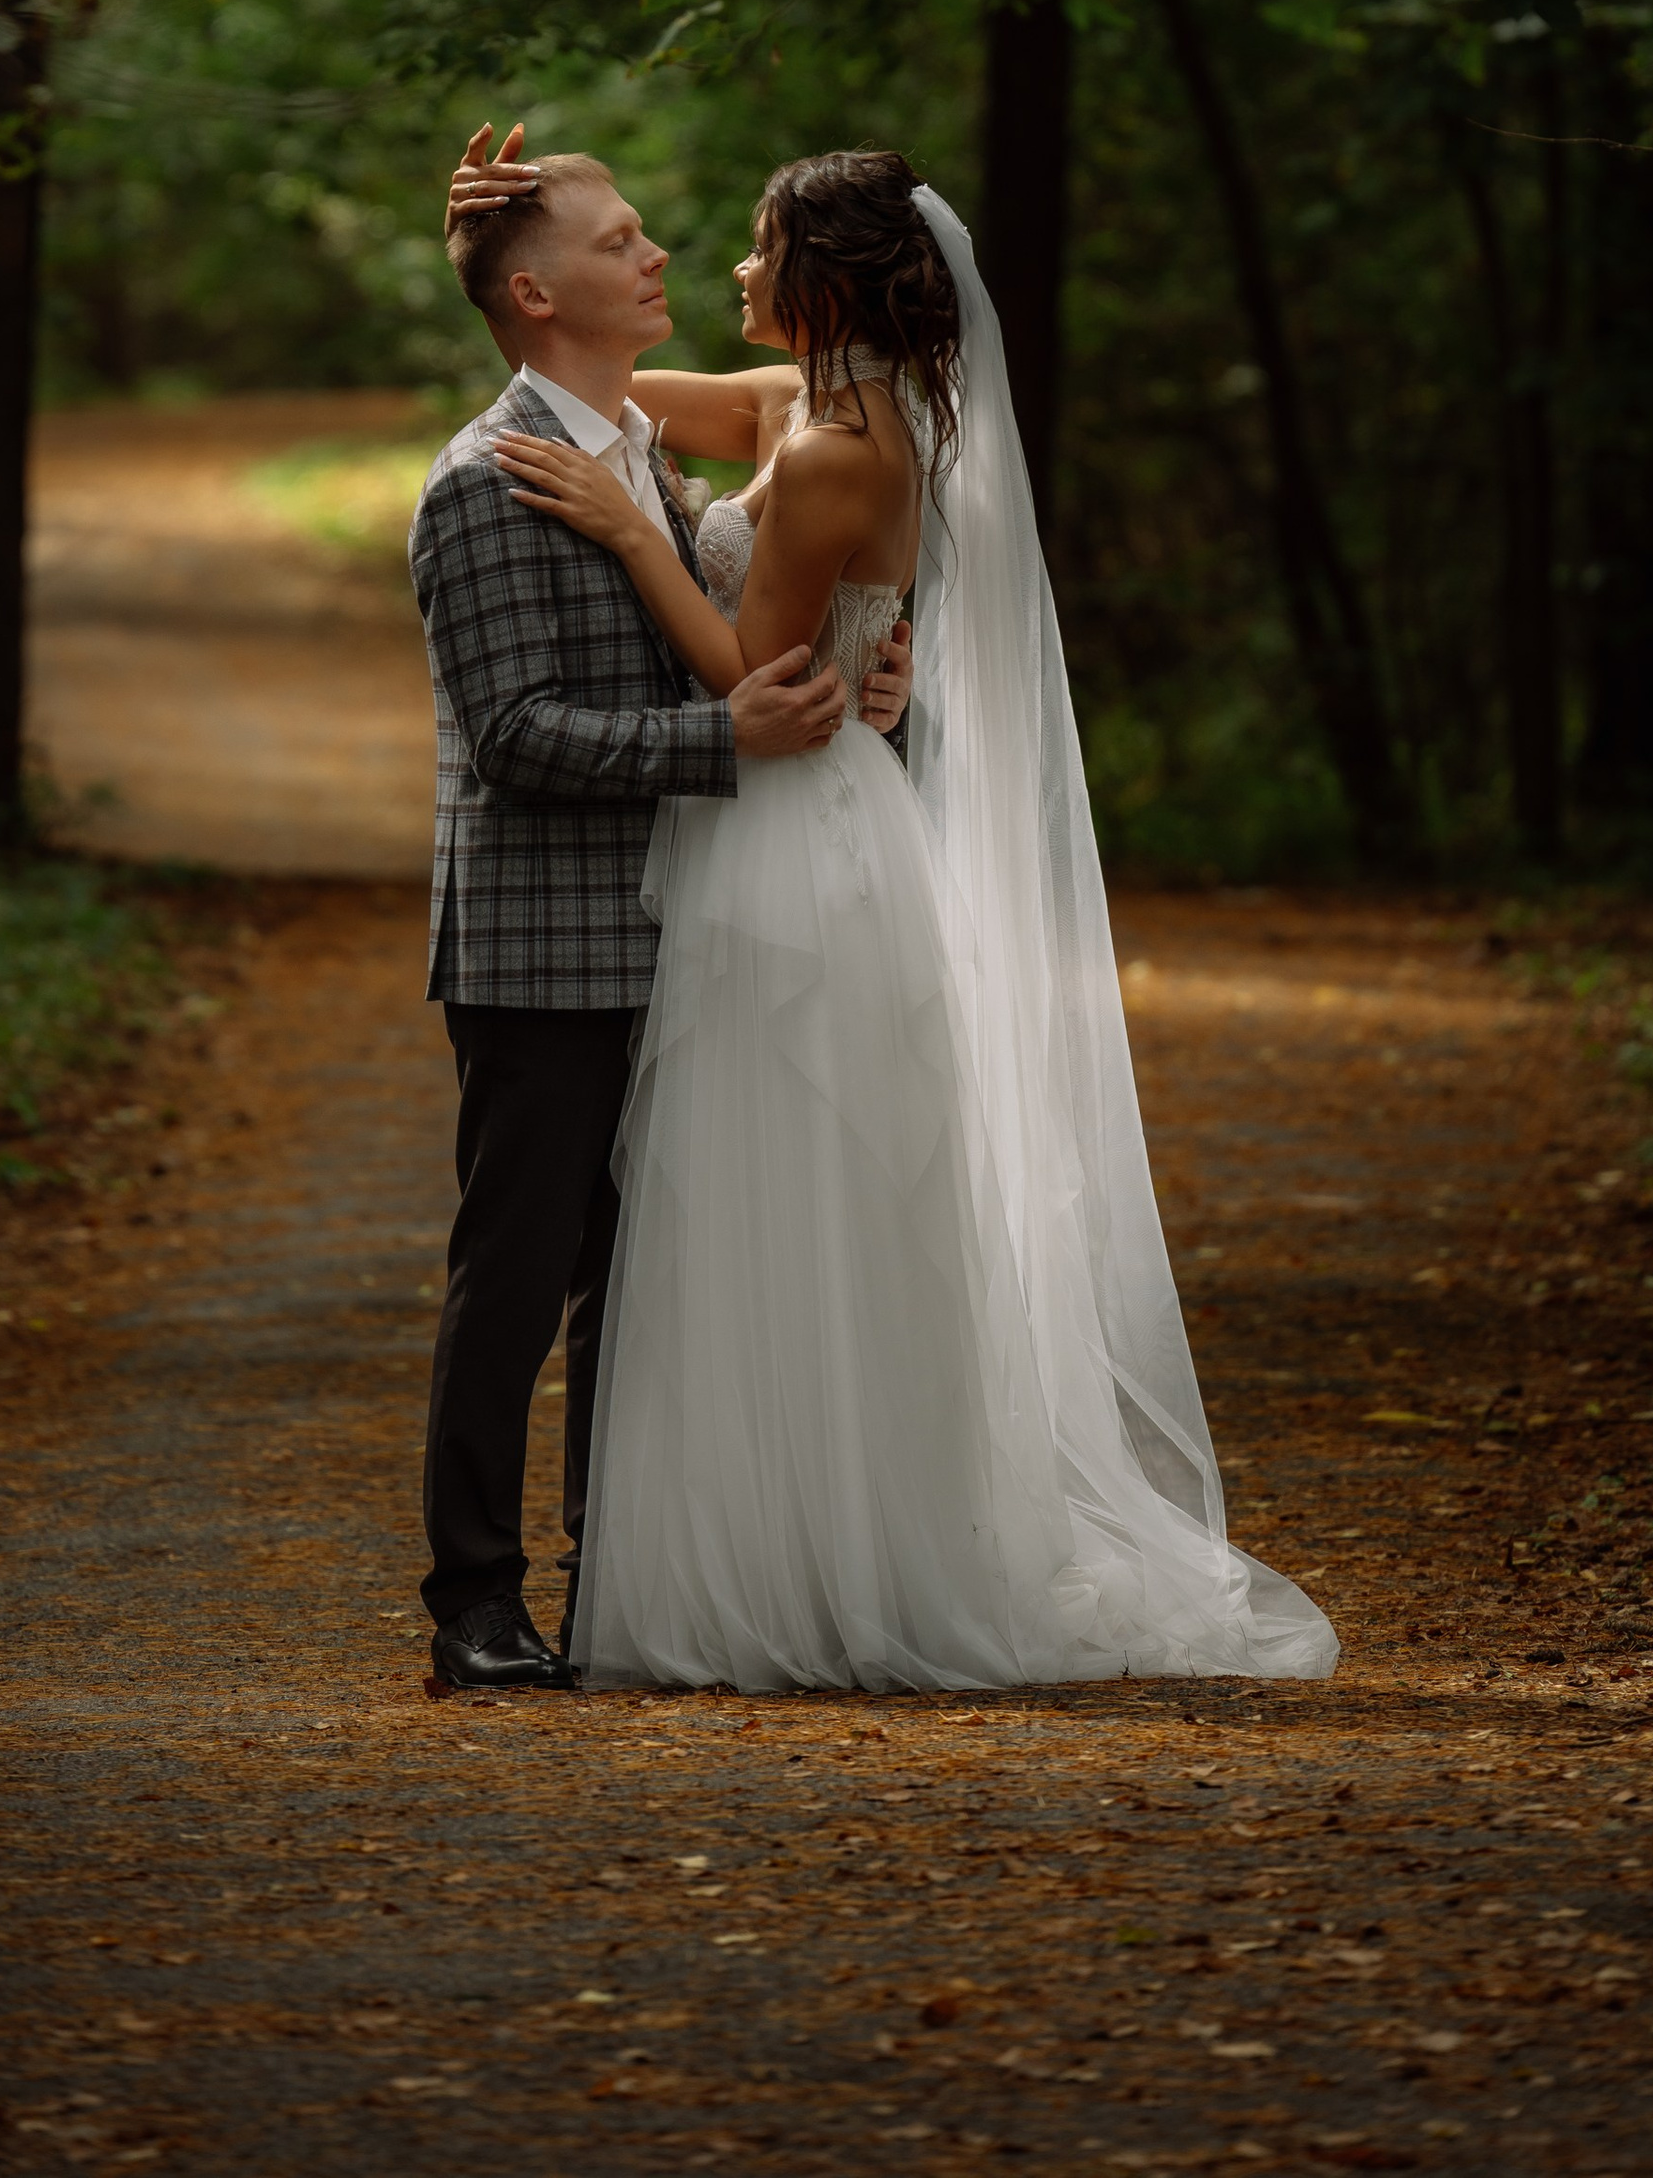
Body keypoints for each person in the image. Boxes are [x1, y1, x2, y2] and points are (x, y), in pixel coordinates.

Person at [446, 129, 1339, 1693]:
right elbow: (605, 396)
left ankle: (774, 1565)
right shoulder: (806, 408)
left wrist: (637, 533)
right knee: (694, 1226)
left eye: (744, 247)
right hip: (789, 831)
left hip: (792, 834)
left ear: (820, 281)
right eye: (643, 241)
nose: (708, 266)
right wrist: (487, 278)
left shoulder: (840, 445)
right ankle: (627, 1575)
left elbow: (747, 673)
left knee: (758, 1208)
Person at [407, 146, 914, 1693]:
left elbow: (757, 610)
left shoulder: (639, 444)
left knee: (645, 1281)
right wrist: (727, 743)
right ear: (541, 292)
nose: (659, 256)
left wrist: (867, 678)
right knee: (520, 1272)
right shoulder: (486, 480)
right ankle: (474, 1605)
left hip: (688, 926)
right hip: (548, 947)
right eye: (621, 241)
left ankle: (616, 1581)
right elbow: (517, 734)